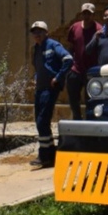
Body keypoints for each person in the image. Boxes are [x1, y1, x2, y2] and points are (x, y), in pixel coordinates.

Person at [30, 20, 73, 168]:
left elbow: (68, 59)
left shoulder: (53, 45)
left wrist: (58, 77)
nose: (37, 34)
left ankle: (44, 155)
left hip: (50, 89)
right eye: (35, 32)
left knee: (42, 121)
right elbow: (39, 67)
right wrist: (36, 78)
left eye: (40, 31)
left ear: (46, 32)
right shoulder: (36, 48)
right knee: (40, 121)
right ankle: (50, 154)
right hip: (40, 89)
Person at [66, 3, 101, 120]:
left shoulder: (98, 29)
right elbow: (70, 47)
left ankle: (89, 121)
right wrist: (69, 65)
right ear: (81, 14)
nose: (86, 16)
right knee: (73, 98)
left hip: (91, 72)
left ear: (93, 15)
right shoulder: (74, 28)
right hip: (76, 69)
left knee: (90, 99)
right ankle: (77, 119)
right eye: (84, 13)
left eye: (89, 14)